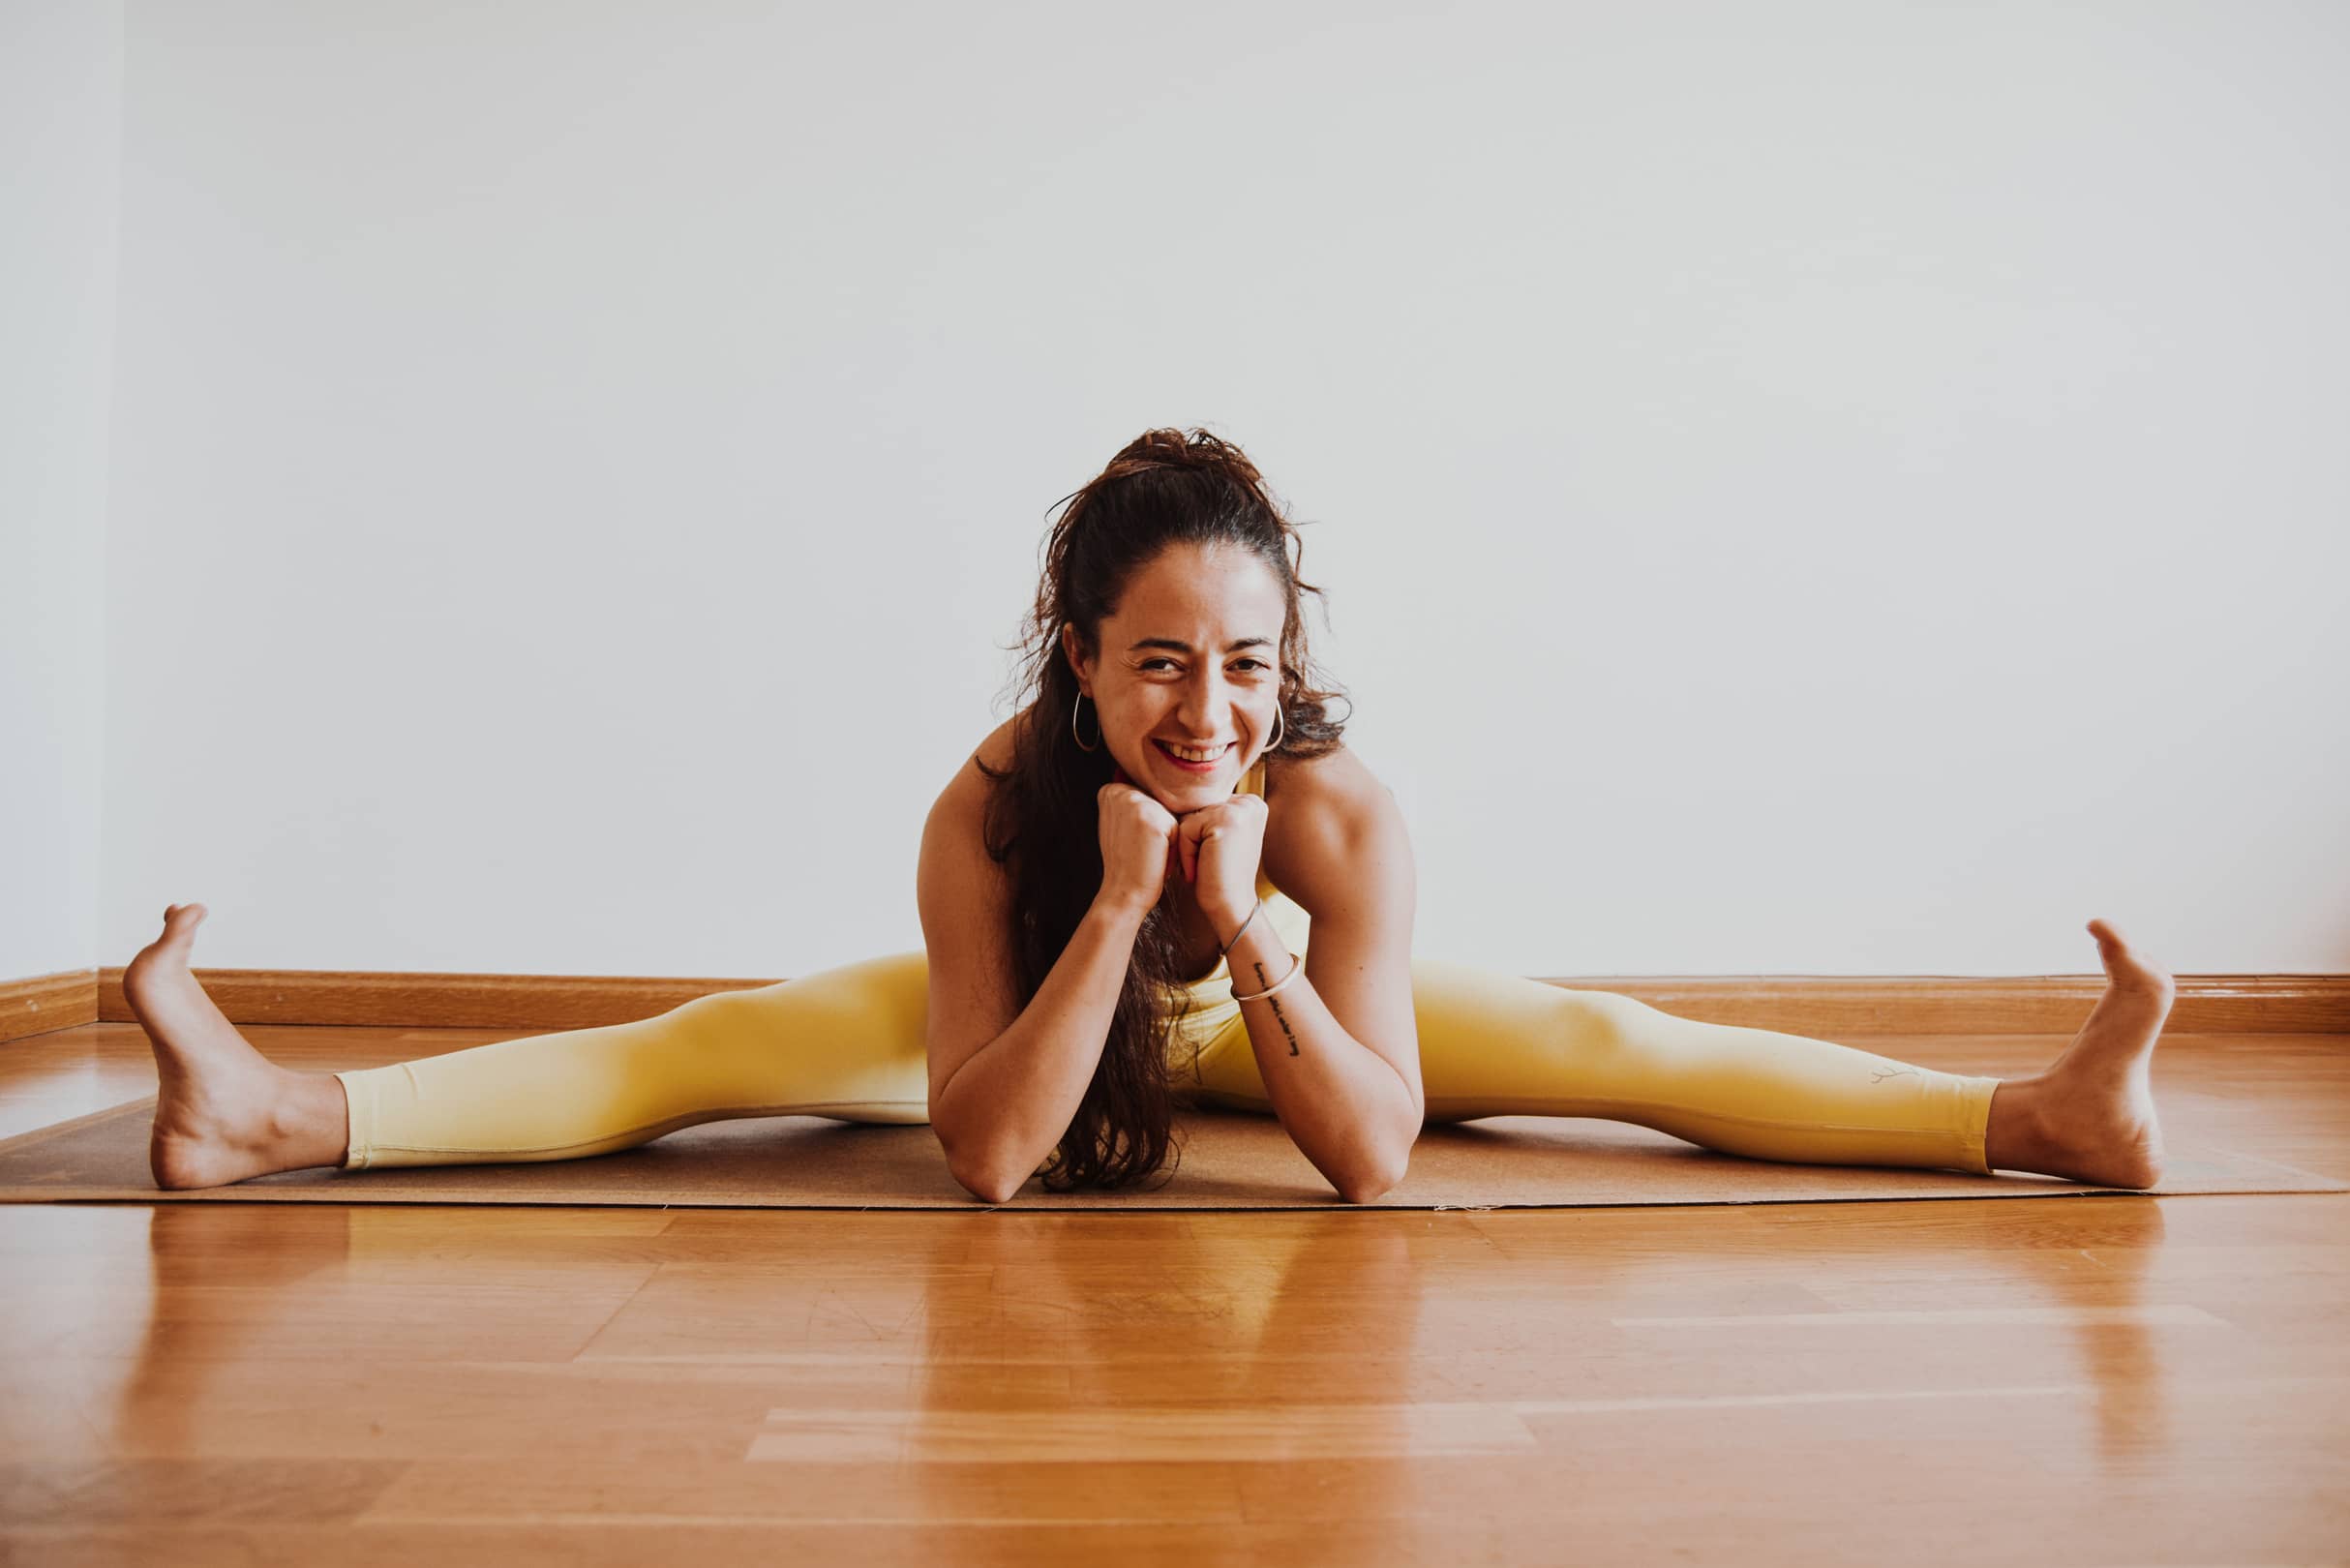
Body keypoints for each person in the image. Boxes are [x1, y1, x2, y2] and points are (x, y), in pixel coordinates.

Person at [121, 428, 2175, 1202]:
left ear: (1290, 666)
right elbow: (988, 1161)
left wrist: (1254, 934)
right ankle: (269, 1118)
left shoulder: (1339, 817)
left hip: (1282, 1015)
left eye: (1247, 666)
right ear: (1083, 661)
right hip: (1054, 1013)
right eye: (1162, 664)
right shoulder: (991, 811)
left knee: (1608, 1045)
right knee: (705, 1053)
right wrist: (1110, 913)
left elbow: (1371, 1162)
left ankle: (2039, 1122)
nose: (1210, 714)